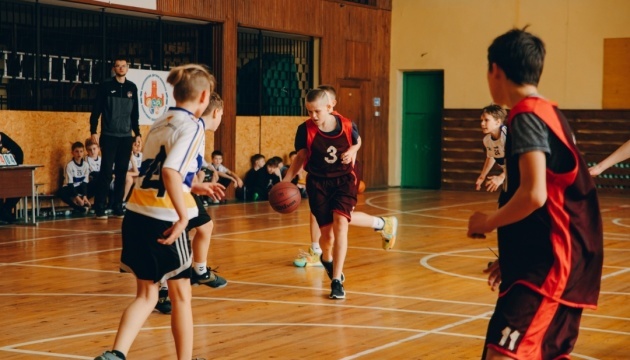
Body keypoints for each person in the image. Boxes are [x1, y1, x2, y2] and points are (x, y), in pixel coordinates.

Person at [467, 28, 604, 360]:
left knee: (504, 354)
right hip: (543, 259)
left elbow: (534, 194)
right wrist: (517, 254)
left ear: (495, 70)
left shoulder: (527, 116)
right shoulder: (545, 113)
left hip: (555, 263)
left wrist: (489, 221)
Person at [94, 63, 216, 360]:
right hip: (164, 220)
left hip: (135, 213)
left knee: (147, 294)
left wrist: (192, 187)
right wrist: (185, 216)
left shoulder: (161, 120)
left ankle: (116, 354)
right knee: (182, 297)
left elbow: (159, 170)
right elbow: (171, 172)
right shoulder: (194, 125)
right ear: (203, 97)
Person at [283, 88, 396, 300]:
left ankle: (336, 280)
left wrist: (353, 151)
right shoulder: (304, 129)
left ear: (330, 107)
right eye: (309, 111)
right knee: (327, 236)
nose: (313, 116)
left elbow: (357, 141)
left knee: (341, 223)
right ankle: (327, 260)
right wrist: (285, 181)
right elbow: (300, 157)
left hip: (344, 179)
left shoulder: (346, 124)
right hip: (318, 182)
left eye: (317, 111)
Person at [155, 92, 228, 315]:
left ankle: (200, 270)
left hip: (184, 187)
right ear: (216, 112)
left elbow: (192, 163)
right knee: (173, 240)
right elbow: (171, 168)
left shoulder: (194, 128)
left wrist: (199, 181)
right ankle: (162, 290)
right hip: (170, 189)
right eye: (222, 115)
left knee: (205, 226)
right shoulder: (192, 128)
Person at [89, 56, 141, 220]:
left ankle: (118, 206)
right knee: (105, 172)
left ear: (127, 68)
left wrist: (137, 133)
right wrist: (93, 130)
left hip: (126, 137)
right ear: (114, 68)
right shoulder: (105, 86)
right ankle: (99, 207)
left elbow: (135, 114)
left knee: (121, 172)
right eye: (118, 66)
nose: (121, 68)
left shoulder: (132, 88)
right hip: (109, 135)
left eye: (123, 66)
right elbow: (96, 110)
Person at [476, 104, 507, 192]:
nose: (482, 123)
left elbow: (519, 160)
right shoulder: (487, 140)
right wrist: (482, 176)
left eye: (486, 120)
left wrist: (501, 177)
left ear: (497, 122)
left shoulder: (508, 135)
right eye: (481, 120)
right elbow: (491, 156)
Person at [58, 141, 91, 213]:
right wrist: (77, 197)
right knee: (60, 192)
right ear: (72, 153)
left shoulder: (86, 165)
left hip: (80, 188)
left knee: (96, 183)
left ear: (83, 152)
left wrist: (85, 196)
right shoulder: (70, 165)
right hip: (71, 188)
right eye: (76, 151)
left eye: (81, 151)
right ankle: (78, 207)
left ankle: (87, 202)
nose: (79, 154)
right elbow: (70, 184)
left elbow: (85, 183)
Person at [0, 132, 25, 223]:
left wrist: (16, 168)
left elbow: (18, 151)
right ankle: (3, 213)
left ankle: (5, 211)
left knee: (20, 187)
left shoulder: (1, 136)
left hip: (2, 173)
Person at [122, 135, 143, 201]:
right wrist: (131, 157)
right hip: (128, 173)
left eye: (139, 145)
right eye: (135, 145)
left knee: (139, 180)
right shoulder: (128, 155)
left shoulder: (142, 155)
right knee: (129, 179)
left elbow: (137, 172)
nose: (137, 147)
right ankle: (123, 200)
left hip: (135, 173)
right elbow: (134, 171)